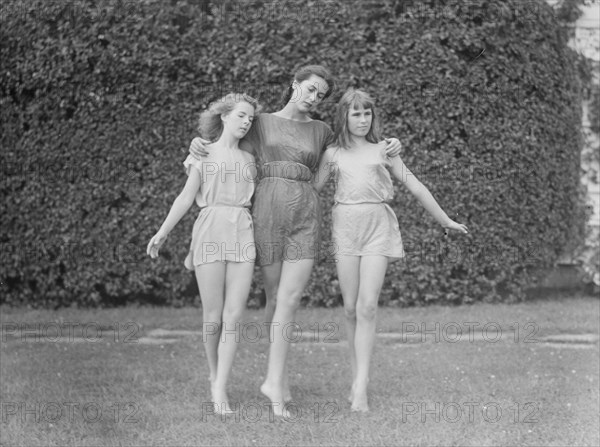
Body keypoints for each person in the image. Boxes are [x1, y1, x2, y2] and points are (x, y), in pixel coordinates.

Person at [189, 65, 402, 417]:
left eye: (320, 94)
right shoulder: (261, 122)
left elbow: (355, 148)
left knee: (289, 298)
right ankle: (280, 378)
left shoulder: (321, 131)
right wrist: (200, 143)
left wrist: (390, 144)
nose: (314, 98)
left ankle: (272, 382)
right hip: (268, 212)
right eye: (311, 89)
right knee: (273, 298)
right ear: (295, 85)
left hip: (306, 214)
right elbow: (227, 140)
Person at [313, 88, 469, 412]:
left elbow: (414, 185)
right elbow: (311, 190)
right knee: (350, 308)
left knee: (368, 307)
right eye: (355, 113)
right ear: (344, 116)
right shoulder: (332, 153)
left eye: (366, 113)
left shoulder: (385, 149)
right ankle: (356, 377)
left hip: (377, 226)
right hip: (345, 225)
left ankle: (361, 388)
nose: (362, 119)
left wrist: (445, 220)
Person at [147, 93, 260, 415]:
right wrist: (162, 232)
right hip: (210, 228)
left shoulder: (250, 159)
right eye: (240, 115)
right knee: (213, 316)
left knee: (234, 315)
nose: (245, 122)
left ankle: (221, 387)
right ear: (223, 116)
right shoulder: (203, 152)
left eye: (250, 118)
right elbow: (185, 198)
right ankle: (214, 377)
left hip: (242, 229)